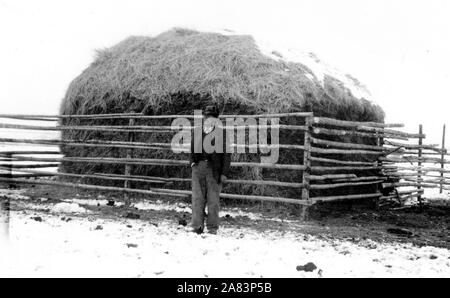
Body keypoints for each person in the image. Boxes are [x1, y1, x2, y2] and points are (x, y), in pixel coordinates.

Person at [190, 105, 231, 234]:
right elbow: (191, 149)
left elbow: (226, 154)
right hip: (198, 168)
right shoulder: (197, 131)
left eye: (213, 117)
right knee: (197, 199)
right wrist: (192, 163)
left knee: (213, 200)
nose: (210, 119)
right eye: (208, 116)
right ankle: (197, 226)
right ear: (204, 117)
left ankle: (212, 228)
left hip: (214, 170)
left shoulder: (222, 133)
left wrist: (224, 173)